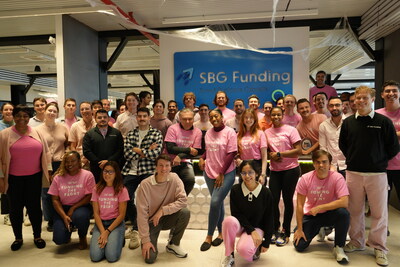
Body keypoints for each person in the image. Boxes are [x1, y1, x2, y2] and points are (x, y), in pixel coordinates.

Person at [339, 86, 399, 266]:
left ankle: (379, 247)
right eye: (358, 98)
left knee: (379, 213)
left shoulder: (383, 122)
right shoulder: (348, 122)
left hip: (378, 174)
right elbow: (344, 145)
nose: (361, 101)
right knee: (354, 210)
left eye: (365, 98)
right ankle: (357, 242)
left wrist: (378, 159)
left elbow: (393, 147)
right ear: (354, 100)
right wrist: (354, 158)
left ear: (373, 99)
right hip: (353, 173)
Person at [0, 104, 51, 251]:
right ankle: (18, 238)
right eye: (19, 116)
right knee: (15, 209)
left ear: (29, 118)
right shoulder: (4, 134)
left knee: (34, 207)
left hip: (34, 177)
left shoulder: (37, 132)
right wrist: (1, 178)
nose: (22, 119)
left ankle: (37, 236)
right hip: (13, 179)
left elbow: (46, 154)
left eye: (25, 116)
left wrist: (49, 171)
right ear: (14, 117)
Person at [293, 150, 350, 264]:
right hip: (312, 215)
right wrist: (299, 229)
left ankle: (339, 247)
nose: (321, 165)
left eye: (324, 162)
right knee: (299, 246)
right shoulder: (305, 178)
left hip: (329, 213)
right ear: (313, 163)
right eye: (318, 162)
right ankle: (319, 229)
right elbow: (299, 205)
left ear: (329, 163)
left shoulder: (337, 178)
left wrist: (320, 207)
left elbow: (344, 202)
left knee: (343, 213)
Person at [122, 107, 163, 250]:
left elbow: (156, 154)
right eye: (139, 116)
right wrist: (146, 151)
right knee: (124, 197)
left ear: (149, 117)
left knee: (143, 199)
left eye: (144, 116)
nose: (142, 119)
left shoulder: (156, 133)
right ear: (136, 118)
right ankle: (136, 224)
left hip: (148, 170)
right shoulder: (131, 134)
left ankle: (136, 229)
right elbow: (127, 154)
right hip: (131, 171)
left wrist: (137, 150)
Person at [136, 154, 190, 264]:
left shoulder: (174, 178)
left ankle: (173, 244)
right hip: (151, 222)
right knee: (150, 259)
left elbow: (183, 200)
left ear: (170, 167)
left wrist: (163, 211)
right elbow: (141, 215)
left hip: (167, 217)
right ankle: (144, 240)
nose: (164, 169)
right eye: (160, 165)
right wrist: (146, 240)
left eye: (167, 165)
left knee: (185, 212)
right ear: (156, 167)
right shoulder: (145, 185)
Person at [221, 160, 273, 266]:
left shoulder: (265, 192)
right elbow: (236, 214)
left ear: (257, 173)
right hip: (242, 226)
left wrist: (266, 242)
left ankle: (255, 247)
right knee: (229, 221)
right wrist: (251, 231)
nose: (247, 176)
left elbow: (269, 218)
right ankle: (229, 255)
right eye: (244, 173)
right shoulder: (236, 190)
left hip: (258, 227)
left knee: (244, 250)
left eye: (250, 172)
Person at [199, 109, 237, 251]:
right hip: (209, 172)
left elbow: (232, 152)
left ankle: (209, 235)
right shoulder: (208, 133)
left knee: (214, 202)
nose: (214, 118)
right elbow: (208, 150)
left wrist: (221, 173)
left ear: (222, 117)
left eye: (216, 116)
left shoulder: (230, 132)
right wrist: (202, 158)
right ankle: (221, 234)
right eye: (211, 117)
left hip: (226, 173)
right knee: (218, 202)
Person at [265, 107, 301, 246]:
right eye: (273, 114)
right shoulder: (267, 132)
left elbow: (299, 150)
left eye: (278, 114)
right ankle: (275, 229)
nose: (276, 116)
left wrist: (280, 154)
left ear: (282, 115)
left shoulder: (291, 130)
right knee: (273, 200)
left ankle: (286, 231)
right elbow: (265, 151)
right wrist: (271, 155)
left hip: (291, 170)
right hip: (275, 170)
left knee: (287, 200)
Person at [48, 151, 95, 250]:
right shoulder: (58, 177)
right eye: (67, 161)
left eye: (73, 161)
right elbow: (55, 200)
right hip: (63, 208)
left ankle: (82, 237)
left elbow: (89, 196)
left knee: (80, 217)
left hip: (81, 206)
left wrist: (73, 208)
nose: (69, 164)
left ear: (79, 161)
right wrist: (64, 216)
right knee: (59, 240)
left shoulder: (87, 175)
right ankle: (67, 231)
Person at [36, 103, 69, 232]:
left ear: (57, 113)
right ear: (44, 111)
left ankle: (63, 216)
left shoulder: (63, 127)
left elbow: (67, 144)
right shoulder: (37, 129)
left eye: (54, 111)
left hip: (60, 163)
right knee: (47, 193)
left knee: (62, 192)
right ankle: (50, 220)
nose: (51, 113)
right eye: (49, 110)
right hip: (45, 164)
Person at [90, 161, 129, 263]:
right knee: (95, 256)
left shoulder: (122, 189)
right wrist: (103, 232)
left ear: (116, 173)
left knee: (111, 257)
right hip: (101, 224)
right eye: (105, 171)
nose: (107, 174)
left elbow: (121, 215)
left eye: (110, 172)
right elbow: (96, 213)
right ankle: (111, 240)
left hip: (116, 223)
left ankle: (118, 238)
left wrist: (107, 232)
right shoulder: (96, 188)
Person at [165, 108, 203, 195]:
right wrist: (189, 149)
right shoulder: (172, 128)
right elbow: (170, 148)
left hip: (185, 162)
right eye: (184, 119)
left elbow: (195, 151)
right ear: (180, 119)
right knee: (168, 185)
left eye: (190, 119)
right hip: (169, 162)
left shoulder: (198, 132)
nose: (188, 121)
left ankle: (180, 201)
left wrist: (180, 156)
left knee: (190, 180)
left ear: (193, 119)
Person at [376, 80, 400, 215]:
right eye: (387, 91)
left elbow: (382, 136)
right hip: (382, 166)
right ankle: (383, 230)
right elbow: (374, 137)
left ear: (399, 93)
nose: (391, 94)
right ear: (382, 95)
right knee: (381, 202)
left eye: (394, 91)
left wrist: (387, 134)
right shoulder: (377, 114)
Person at [83, 109, 124, 182]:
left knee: (114, 189)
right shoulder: (89, 134)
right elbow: (86, 151)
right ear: (95, 119)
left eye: (105, 117)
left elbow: (120, 149)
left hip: (113, 167)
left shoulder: (116, 133)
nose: (102, 119)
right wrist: (99, 162)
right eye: (99, 117)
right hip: (97, 168)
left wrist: (109, 161)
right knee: (98, 189)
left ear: (108, 118)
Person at [236, 109, 268, 184]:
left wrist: (263, 174)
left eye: (251, 117)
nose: (248, 120)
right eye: (246, 117)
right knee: (243, 193)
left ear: (255, 119)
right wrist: (237, 159)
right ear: (243, 119)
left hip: (256, 166)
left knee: (258, 194)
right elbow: (235, 153)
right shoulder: (238, 135)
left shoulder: (260, 134)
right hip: (243, 166)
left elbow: (264, 156)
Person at [319, 97, 346, 175]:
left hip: (348, 166)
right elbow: (323, 148)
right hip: (331, 166)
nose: (334, 108)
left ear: (342, 106)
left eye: (337, 105)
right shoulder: (323, 125)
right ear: (328, 107)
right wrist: (328, 165)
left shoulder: (350, 123)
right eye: (331, 106)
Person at [69, 101, 96, 169]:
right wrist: (77, 160)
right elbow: (73, 146)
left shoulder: (98, 125)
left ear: (92, 110)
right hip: (80, 161)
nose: (84, 111)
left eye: (87, 109)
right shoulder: (75, 126)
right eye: (82, 109)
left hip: (95, 160)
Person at [0, 102, 14, 226]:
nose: (9, 112)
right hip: (3, 162)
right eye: (6, 109)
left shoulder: (18, 124)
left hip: (16, 162)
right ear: (2, 112)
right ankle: (7, 215)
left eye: (11, 109)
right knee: (5, 189)